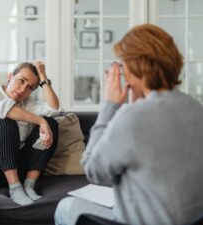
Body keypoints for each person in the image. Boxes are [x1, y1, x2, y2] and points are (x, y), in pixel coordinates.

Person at [54, 24, 203, 225]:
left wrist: (109, 106)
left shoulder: (132, 117)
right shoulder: (196, 108)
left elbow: (93, 171)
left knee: (65, 207)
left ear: (136, 66)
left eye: (124, 66)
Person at [0, 61, 61, 206]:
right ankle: (15, 189)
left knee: (51, 123)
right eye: (21, 81)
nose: (23, 89)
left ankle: (28, 186)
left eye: (30, 87)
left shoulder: (28, 104)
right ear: (10, 76)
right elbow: (6, 110)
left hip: (12, 166)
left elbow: (54, 109)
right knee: (6, 120)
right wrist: (40, 121)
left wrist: (43, 76)